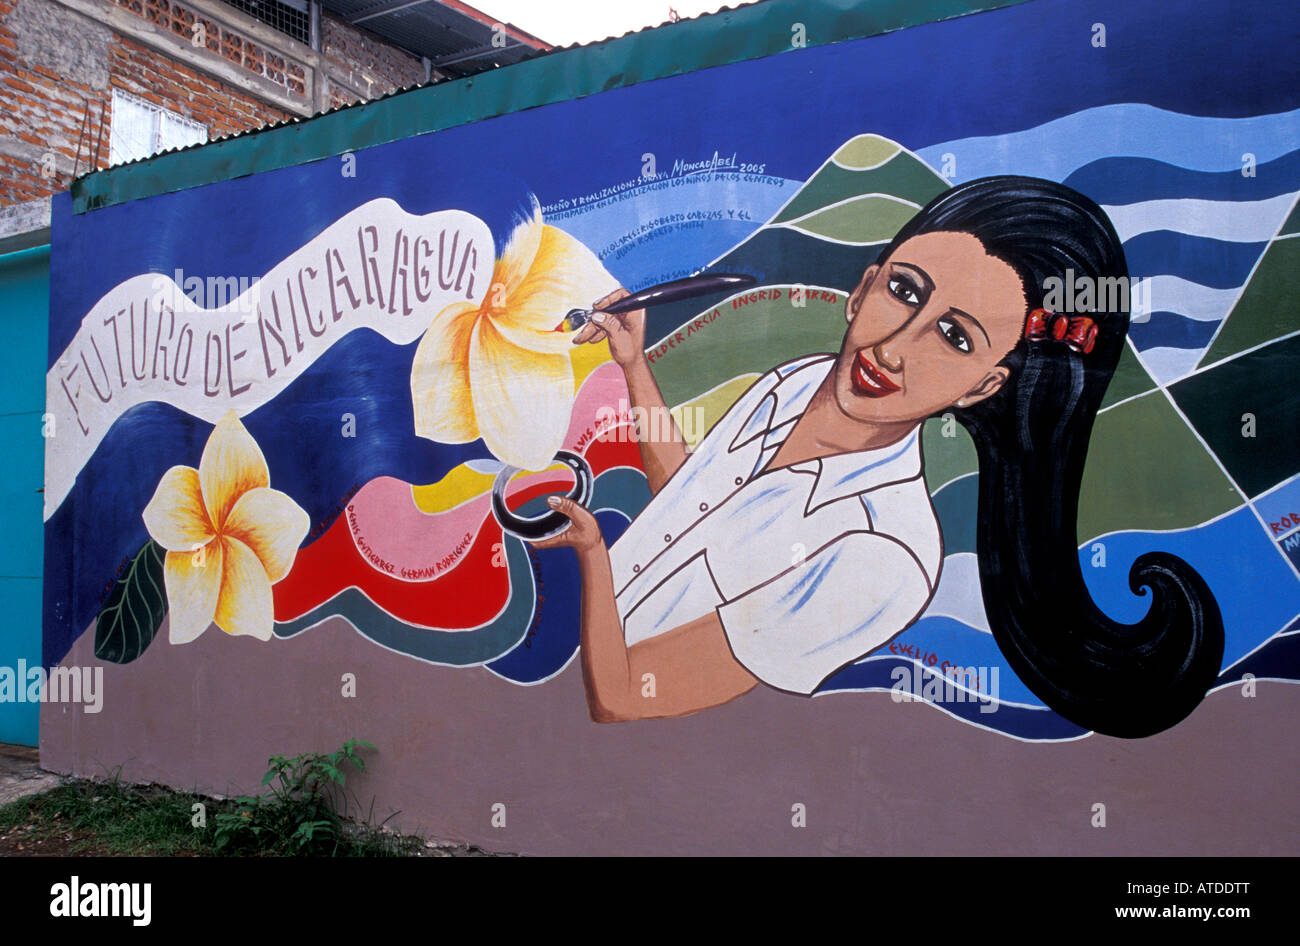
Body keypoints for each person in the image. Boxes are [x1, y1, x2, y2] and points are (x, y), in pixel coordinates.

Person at [534, 176, 1224, 739]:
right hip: (556, 675)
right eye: (904, 291)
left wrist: (594, 554)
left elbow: (623, 699)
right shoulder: (797, 382)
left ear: (984, 385)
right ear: (863, 287)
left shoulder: (886, 554)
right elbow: (692, 499)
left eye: (954, 337)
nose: (894, 348)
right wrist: (633, 362)